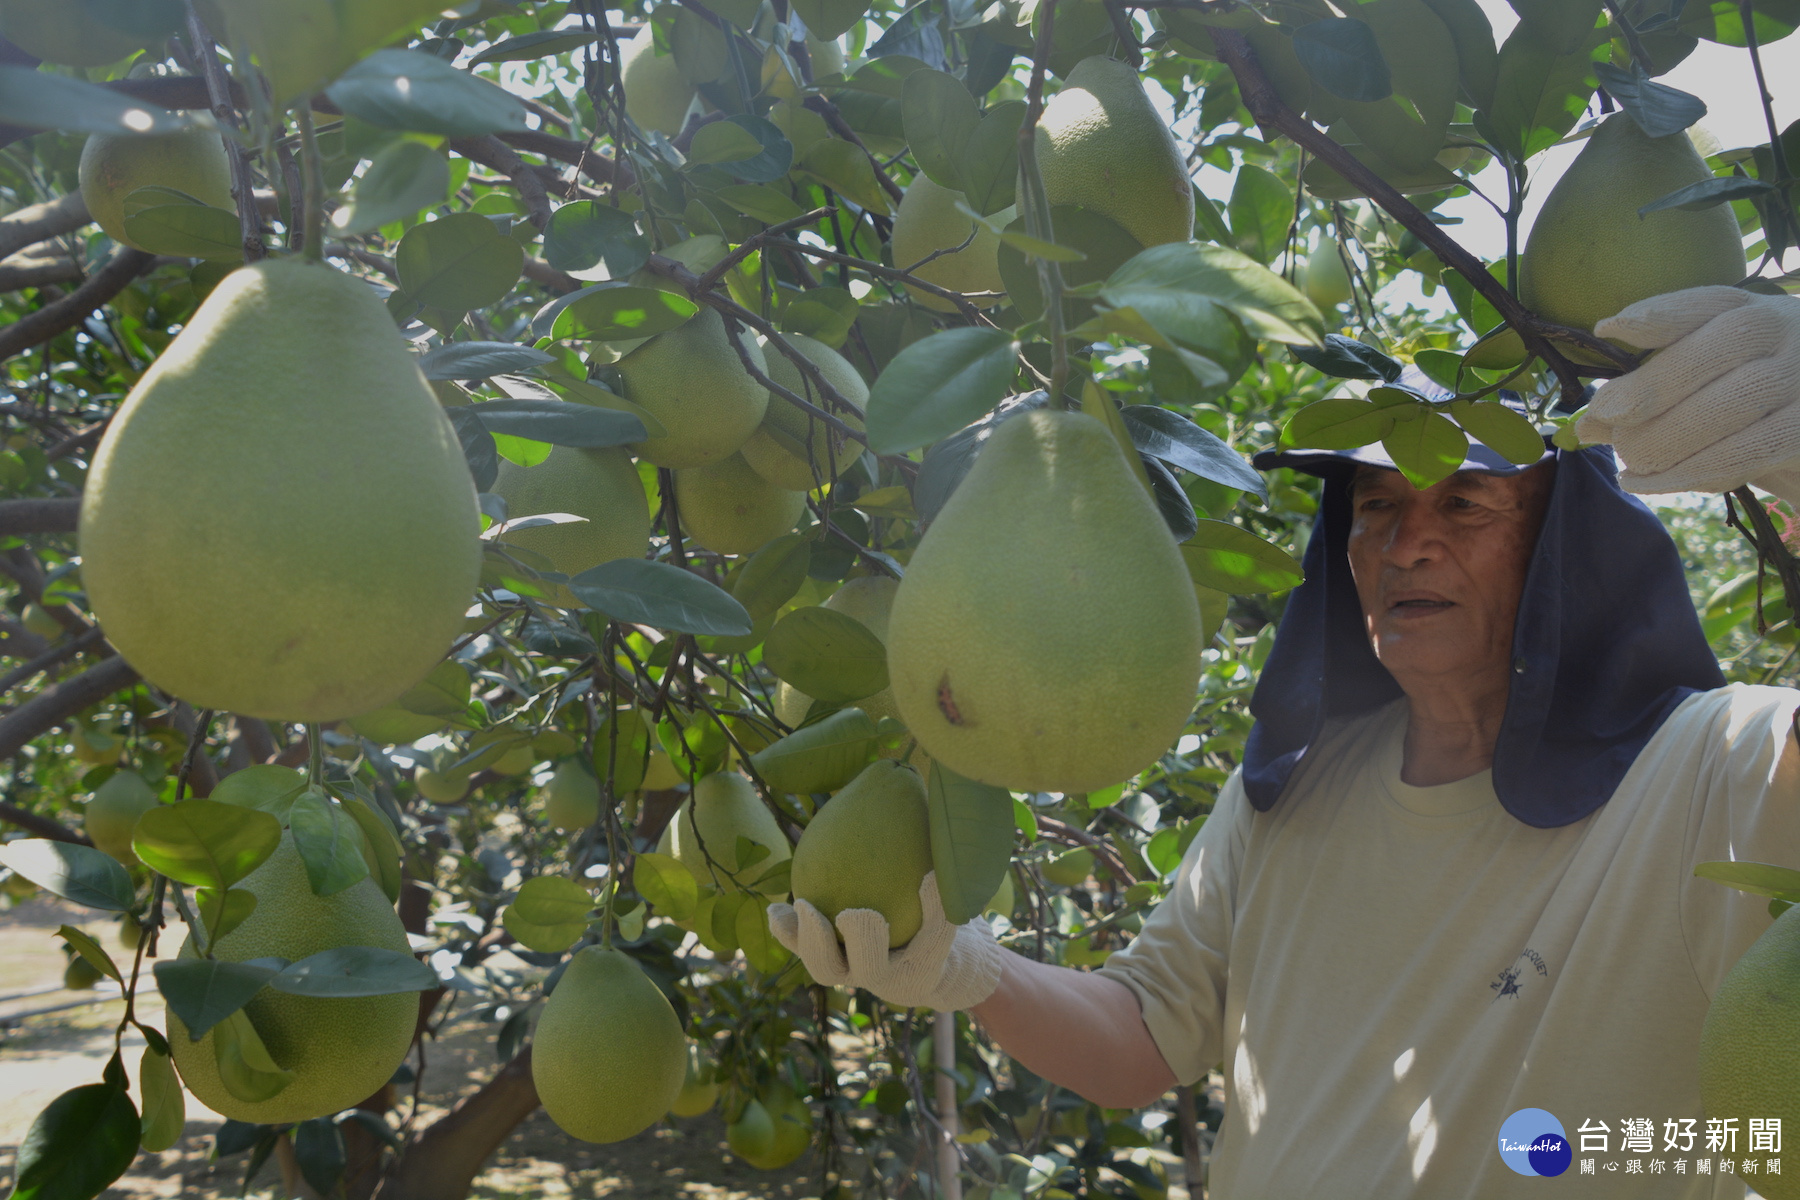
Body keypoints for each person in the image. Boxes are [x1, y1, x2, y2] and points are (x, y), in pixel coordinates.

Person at [769, 286, 1800, 1198]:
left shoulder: (1711, 764)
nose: (1407, 543)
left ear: (1568, 542)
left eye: (1466, 503)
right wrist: (966, 971)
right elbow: (1144, 1035)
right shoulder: (1299, 782)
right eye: (1378, 506)